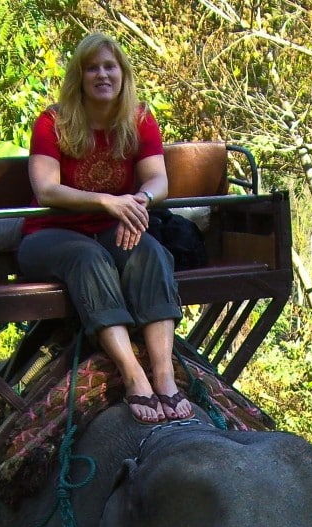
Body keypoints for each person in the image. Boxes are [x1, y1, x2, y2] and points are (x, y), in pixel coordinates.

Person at [17, 33, 192, 424]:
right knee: (89, 257)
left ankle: (164, 376)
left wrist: (138, 203)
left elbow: (157, 181)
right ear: (78, 77)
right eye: (92, 68)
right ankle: (134, 376)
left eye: (109, 66)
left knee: (149, 252)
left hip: (115, 227)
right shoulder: (52, 122)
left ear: (123, 74)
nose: (102, 75)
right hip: (50, 234)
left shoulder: (139, 119)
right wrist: (107, 202)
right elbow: (46, 188)